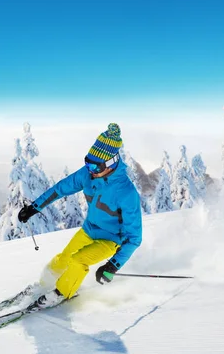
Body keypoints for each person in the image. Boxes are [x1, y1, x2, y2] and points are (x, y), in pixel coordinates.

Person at [18, 123, 143, 307]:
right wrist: (34, 208)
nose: (90, 170)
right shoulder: (88, 174)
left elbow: (134, 238)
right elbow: (60, 189)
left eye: (95, 166)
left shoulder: (126, 193)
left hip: (111, 240)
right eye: (87, 163)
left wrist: (112, 266)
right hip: (89, 230)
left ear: (111, 163)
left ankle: (61, 293)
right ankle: (45, 284)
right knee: (64, 257)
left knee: (78, 260)